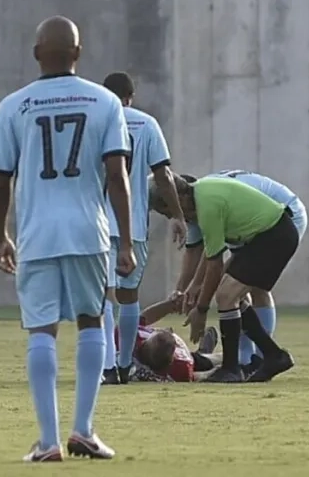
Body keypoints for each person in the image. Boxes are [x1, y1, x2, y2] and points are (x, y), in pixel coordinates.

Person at [0, 16, 135, 462]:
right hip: (89, 230)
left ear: (36, 54)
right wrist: (125, 240)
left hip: (36, 234)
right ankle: (83, 430)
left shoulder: (14, 105)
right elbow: (117, 175)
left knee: (41, 330)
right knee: (92, 320)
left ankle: (48, 441)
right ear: (78, 53)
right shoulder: (105, 101)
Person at [149, 175, 295, 383]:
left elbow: (215, 265)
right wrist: (193, 290)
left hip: (273, 235)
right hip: (265, 236)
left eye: (167, 210)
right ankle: (273, 355)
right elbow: (210, 258)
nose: (169, 216)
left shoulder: (206, 206)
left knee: (226, 295)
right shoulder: (201, 197)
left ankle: (232, 368)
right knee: (235, 297)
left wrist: (201, 310)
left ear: (179, 199)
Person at [99, 71, 186, 385]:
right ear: (130, 97)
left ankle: (107, 367)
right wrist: (177, 215)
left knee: (103, 297)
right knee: (129, 295)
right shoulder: (147, 124)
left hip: (98, 224)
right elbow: (162, 175)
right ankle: (124, 366)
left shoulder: (97, 119)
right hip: (133, 225)